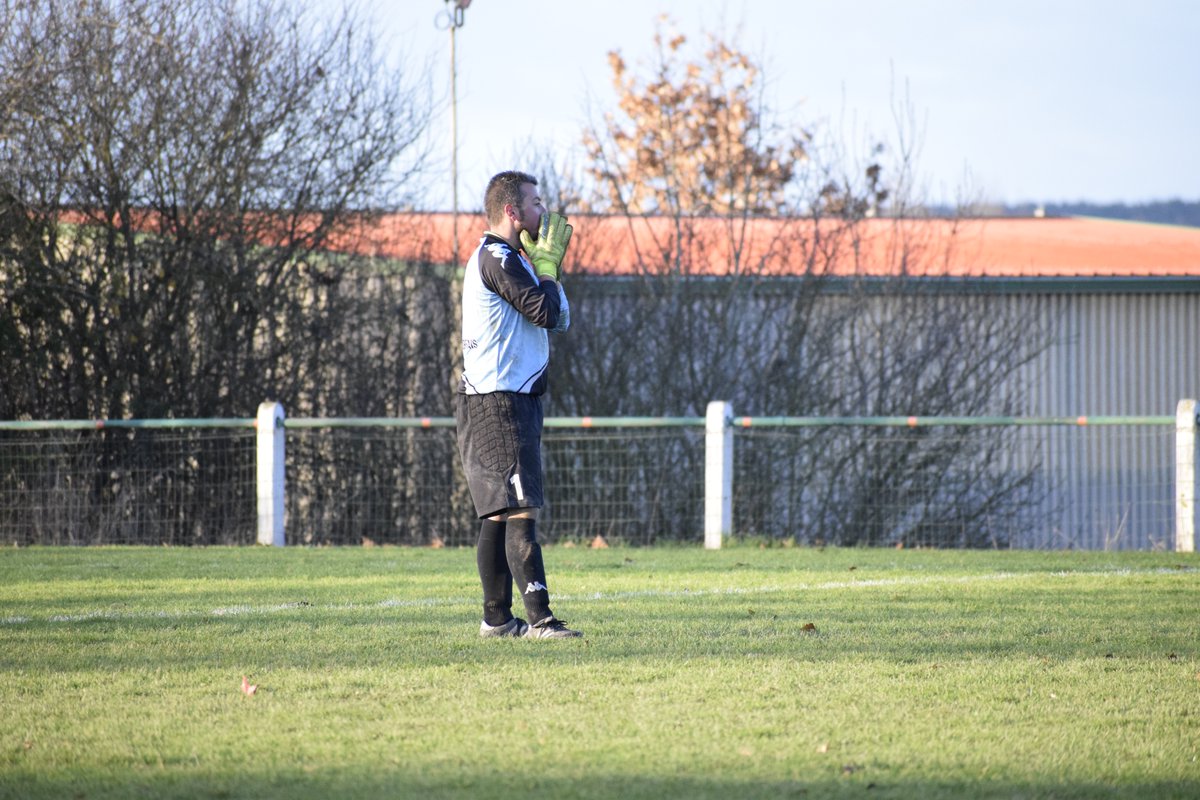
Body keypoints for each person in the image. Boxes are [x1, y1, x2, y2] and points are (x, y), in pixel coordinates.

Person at [455, 170, 581, 639]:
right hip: (501, 402)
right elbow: (545, 312)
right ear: (512, 212)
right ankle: (542, 621)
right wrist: (546, 271)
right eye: (535, 203)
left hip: (499, 399)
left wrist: (547, 270)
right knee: (519, 510)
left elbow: (559, 317)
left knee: (498, 512)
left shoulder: (514, 257)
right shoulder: (497, 256)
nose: (543, 212)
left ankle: (497, 622)